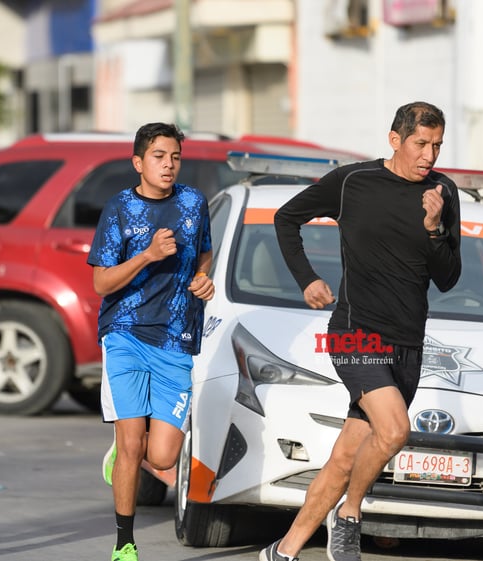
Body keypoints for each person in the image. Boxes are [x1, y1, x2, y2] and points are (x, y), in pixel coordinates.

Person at [260, 101, 461, 561]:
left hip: (408, 343)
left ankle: (283, 551)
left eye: (437, 146)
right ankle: (349, 515)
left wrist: (433, 230)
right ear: (395, 140)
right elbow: (285, 218)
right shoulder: (352, 182)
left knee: (348, 455)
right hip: (353, 330)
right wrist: (307, 279)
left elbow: (448, 277)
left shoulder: (442, 193)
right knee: (393, 432)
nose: (429, 156)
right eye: (420, 144)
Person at [87, 122, 215, 561]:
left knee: (161, 456)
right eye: (159, 156)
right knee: (131, 443)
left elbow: (203, 253)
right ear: (139, 162)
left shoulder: (194, 203)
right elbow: (102, 283)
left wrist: (202, 279)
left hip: (176, 339)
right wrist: (146, 255)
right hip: (124, 333)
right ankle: (125, 543)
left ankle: (129, 451)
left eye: (175, 157)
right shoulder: (120, 208)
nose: (169, 165)